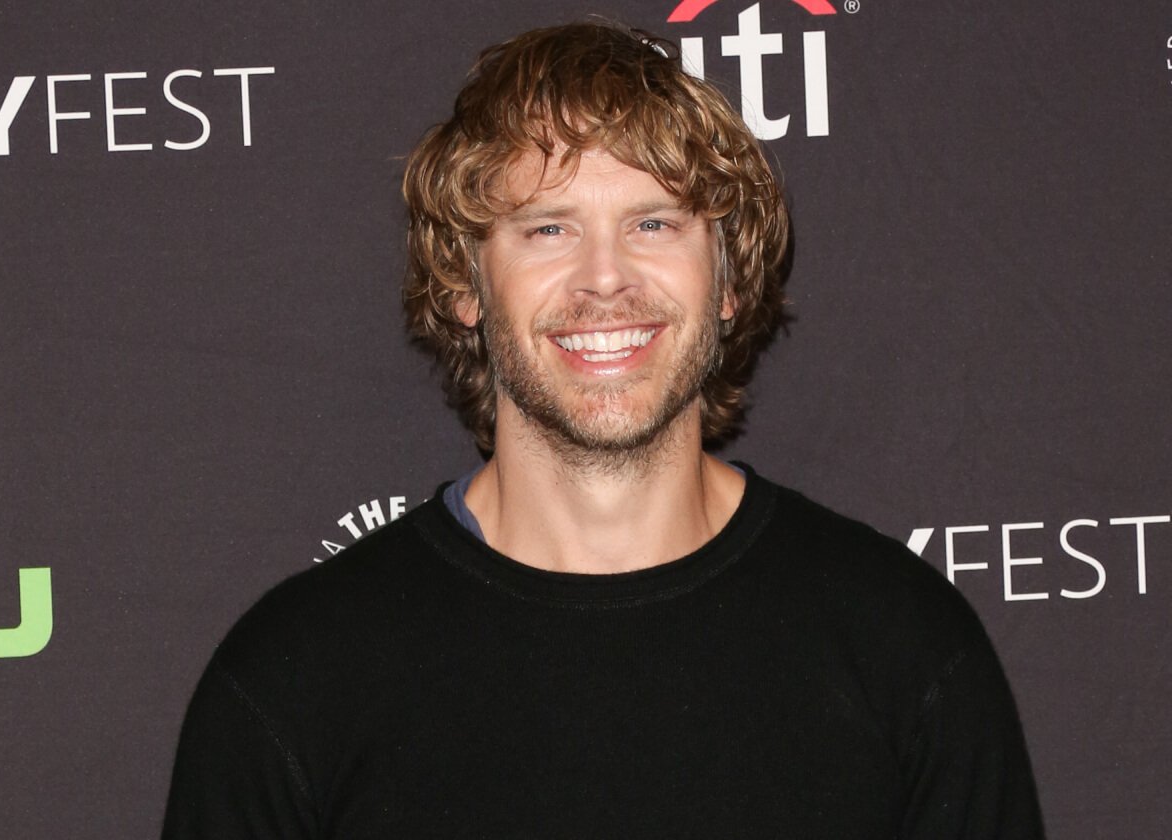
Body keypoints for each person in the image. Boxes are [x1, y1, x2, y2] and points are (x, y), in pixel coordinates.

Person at [162, 22, 1044, 839]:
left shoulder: (903, 648)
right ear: (464, 284)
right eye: (548, 228)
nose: (605, 279)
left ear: (729, 280)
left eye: (654, 223)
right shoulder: (294, 682)